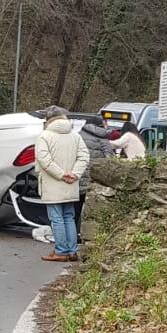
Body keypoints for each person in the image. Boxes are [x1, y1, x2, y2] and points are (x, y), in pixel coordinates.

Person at [35, 107, 90, 263]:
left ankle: (61, 251)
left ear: (49, 119)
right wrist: (75, 173)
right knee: (69, 217)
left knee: (56, 218)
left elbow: (44, 160)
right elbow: (84, 156)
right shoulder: (75, 136)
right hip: (71, 183)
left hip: (53, 183)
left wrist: (61, 174)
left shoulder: (44, 136)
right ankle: (72, 251)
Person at [75, 116, 114, 233]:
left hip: (76, 178)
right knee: (91, 211)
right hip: (94, 181)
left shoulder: (77, 136)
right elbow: (110, 160)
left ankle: (72, 236)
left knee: (74, 210)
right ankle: (86, 234)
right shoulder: (103, 139)